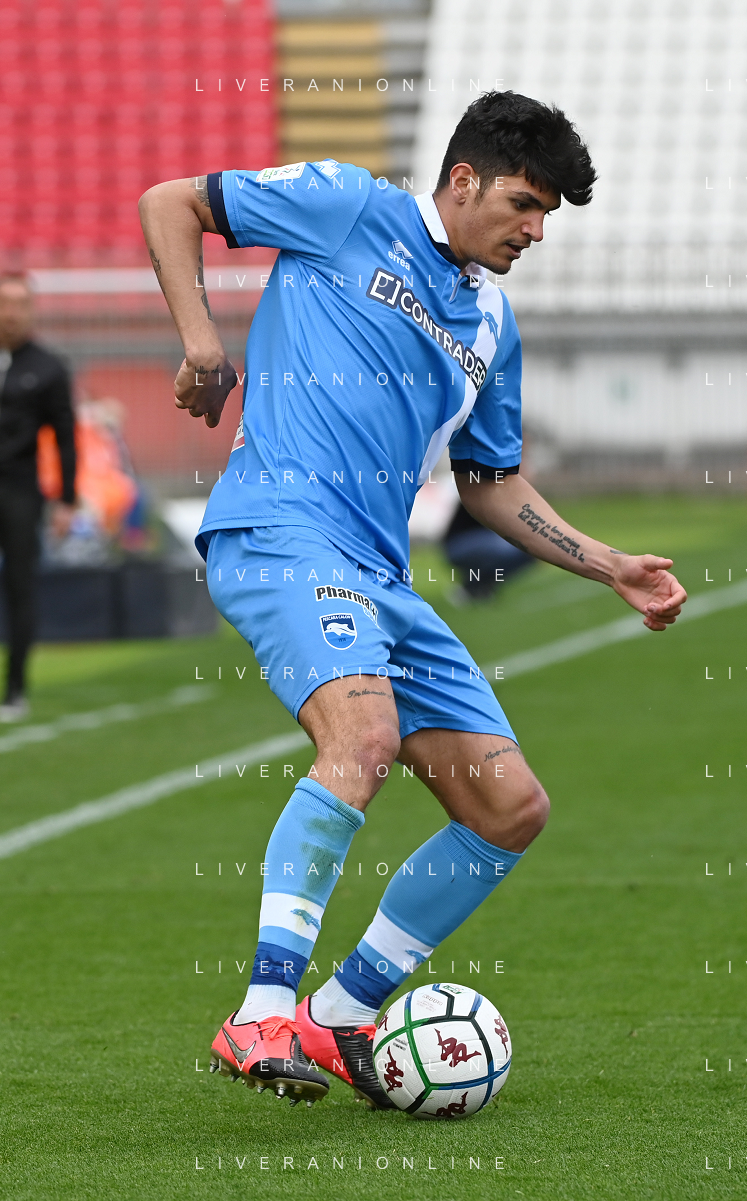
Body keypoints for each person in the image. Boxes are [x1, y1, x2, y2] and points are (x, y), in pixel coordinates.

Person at [139, 91, 687, 1109]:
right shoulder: (347, 205)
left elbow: (491, 482)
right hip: (283, 532)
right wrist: (202, 341)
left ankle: (340, 1015)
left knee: (509, 806)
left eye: (548, 215)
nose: (534, 230)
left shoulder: (493, 321)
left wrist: (605, 561)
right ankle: (262, 1008)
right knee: (363, 736)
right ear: (463, 180)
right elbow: (171, 202)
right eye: (525, 204)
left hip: (380, 576)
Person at [0, 275, 75, 722]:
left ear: (31, 310)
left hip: (19, 490)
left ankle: (15, 689)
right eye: (4, 302)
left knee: (20, 586)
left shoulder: (47, 368)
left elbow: (65, 436)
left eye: (19, 304)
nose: (10, 313)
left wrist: (66, 499)